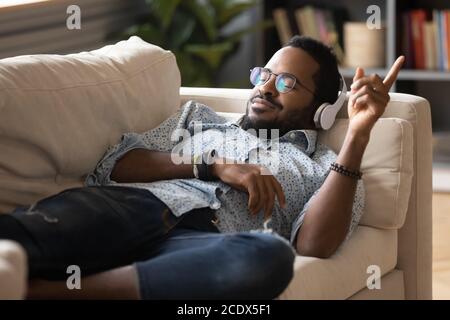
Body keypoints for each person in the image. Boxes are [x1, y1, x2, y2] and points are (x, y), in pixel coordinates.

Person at [0, 36, 404, 299]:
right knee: (24, 232)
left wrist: (358, 136)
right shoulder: (199, 119)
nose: (264, 87)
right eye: (264, 75)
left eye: (285, 83)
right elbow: (118, 165)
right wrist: (212, 166)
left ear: (322, 110)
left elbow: (313, 245)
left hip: (204, 242)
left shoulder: (327, 169)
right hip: (132, 207)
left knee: (267, 258)